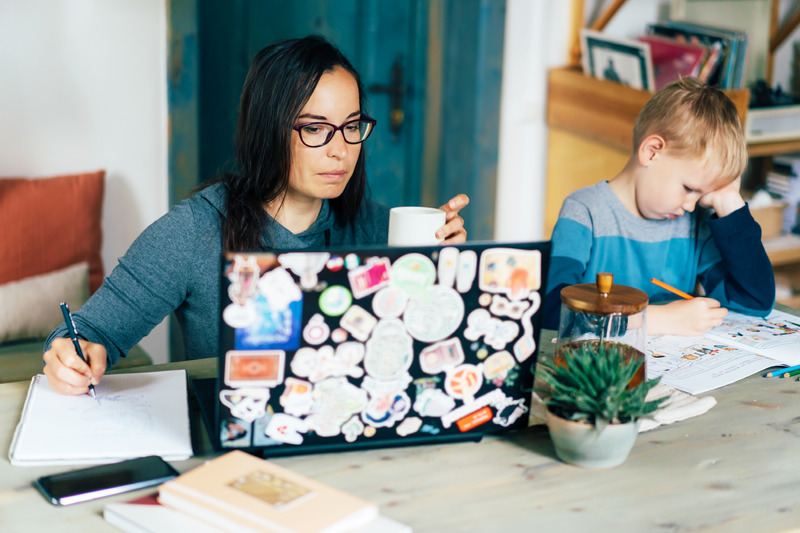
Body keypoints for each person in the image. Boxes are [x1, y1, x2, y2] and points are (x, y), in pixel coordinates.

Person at [43, 35, 470, 396]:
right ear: (268, 130)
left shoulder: (378, 227)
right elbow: (86, 332)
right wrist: (73, 353)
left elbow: (424, 355)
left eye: (352, 126)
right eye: (315, 128)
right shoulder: (195, 230)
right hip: (235, 449)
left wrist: (443, 273)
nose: (341, 149)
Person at [542, 77, 775, 335]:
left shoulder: (693, 224)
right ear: (652, 152)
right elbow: (552, 310)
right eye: (688, 188)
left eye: (702, 195)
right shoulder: (584, 212)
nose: (691, 205)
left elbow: (754, 301)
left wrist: (730, 204)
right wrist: (656, 319)